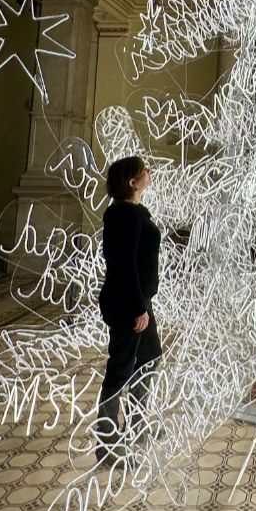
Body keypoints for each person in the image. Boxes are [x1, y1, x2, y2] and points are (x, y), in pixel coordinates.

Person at [95, 155, 161, 463]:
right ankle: (107, 440)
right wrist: (138, 308)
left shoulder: (135, 213)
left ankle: (137, 426)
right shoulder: (123, 216)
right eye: (144, 171)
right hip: (128, 304)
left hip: (140, 302)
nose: (149, 173)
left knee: (148, 358)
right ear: (132, 182)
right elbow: (124, 267)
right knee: (121, 368)